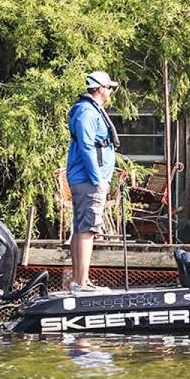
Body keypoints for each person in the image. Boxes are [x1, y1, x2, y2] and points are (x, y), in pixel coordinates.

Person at [66, 71, 120, 293]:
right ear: (99, 89)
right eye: (109, 88)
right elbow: (87, 147)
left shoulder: (89, 110)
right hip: (89, 180)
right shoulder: (87, 112)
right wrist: (98, 179)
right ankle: (81, 283)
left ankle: (79, 282)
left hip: (87, 179)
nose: (110, 92)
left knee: (81, 229)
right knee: (87, 229)